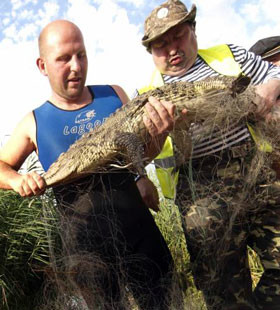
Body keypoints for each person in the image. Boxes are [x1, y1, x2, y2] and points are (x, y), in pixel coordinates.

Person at [0, 20, 176, 310]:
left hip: (140, 235)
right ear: (42, 65)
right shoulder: (34, 122)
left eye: (81, 55)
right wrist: (18, 180)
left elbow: (142, 156)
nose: (76, 66)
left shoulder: (115, 95)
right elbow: (3, 165)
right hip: (86, 253)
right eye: (63, 58)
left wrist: (163, 132)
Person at [136, 1, 280, 309]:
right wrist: (160, 134)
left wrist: (268, 92)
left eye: (178, 36)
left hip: (260, 177)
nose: (172, 49)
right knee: (223, 294)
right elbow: (140, 156)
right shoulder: (146, 96)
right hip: (200, 198)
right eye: (161, 45)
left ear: (193, 31)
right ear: (150, 52)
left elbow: (273, 74)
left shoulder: (230, 56)